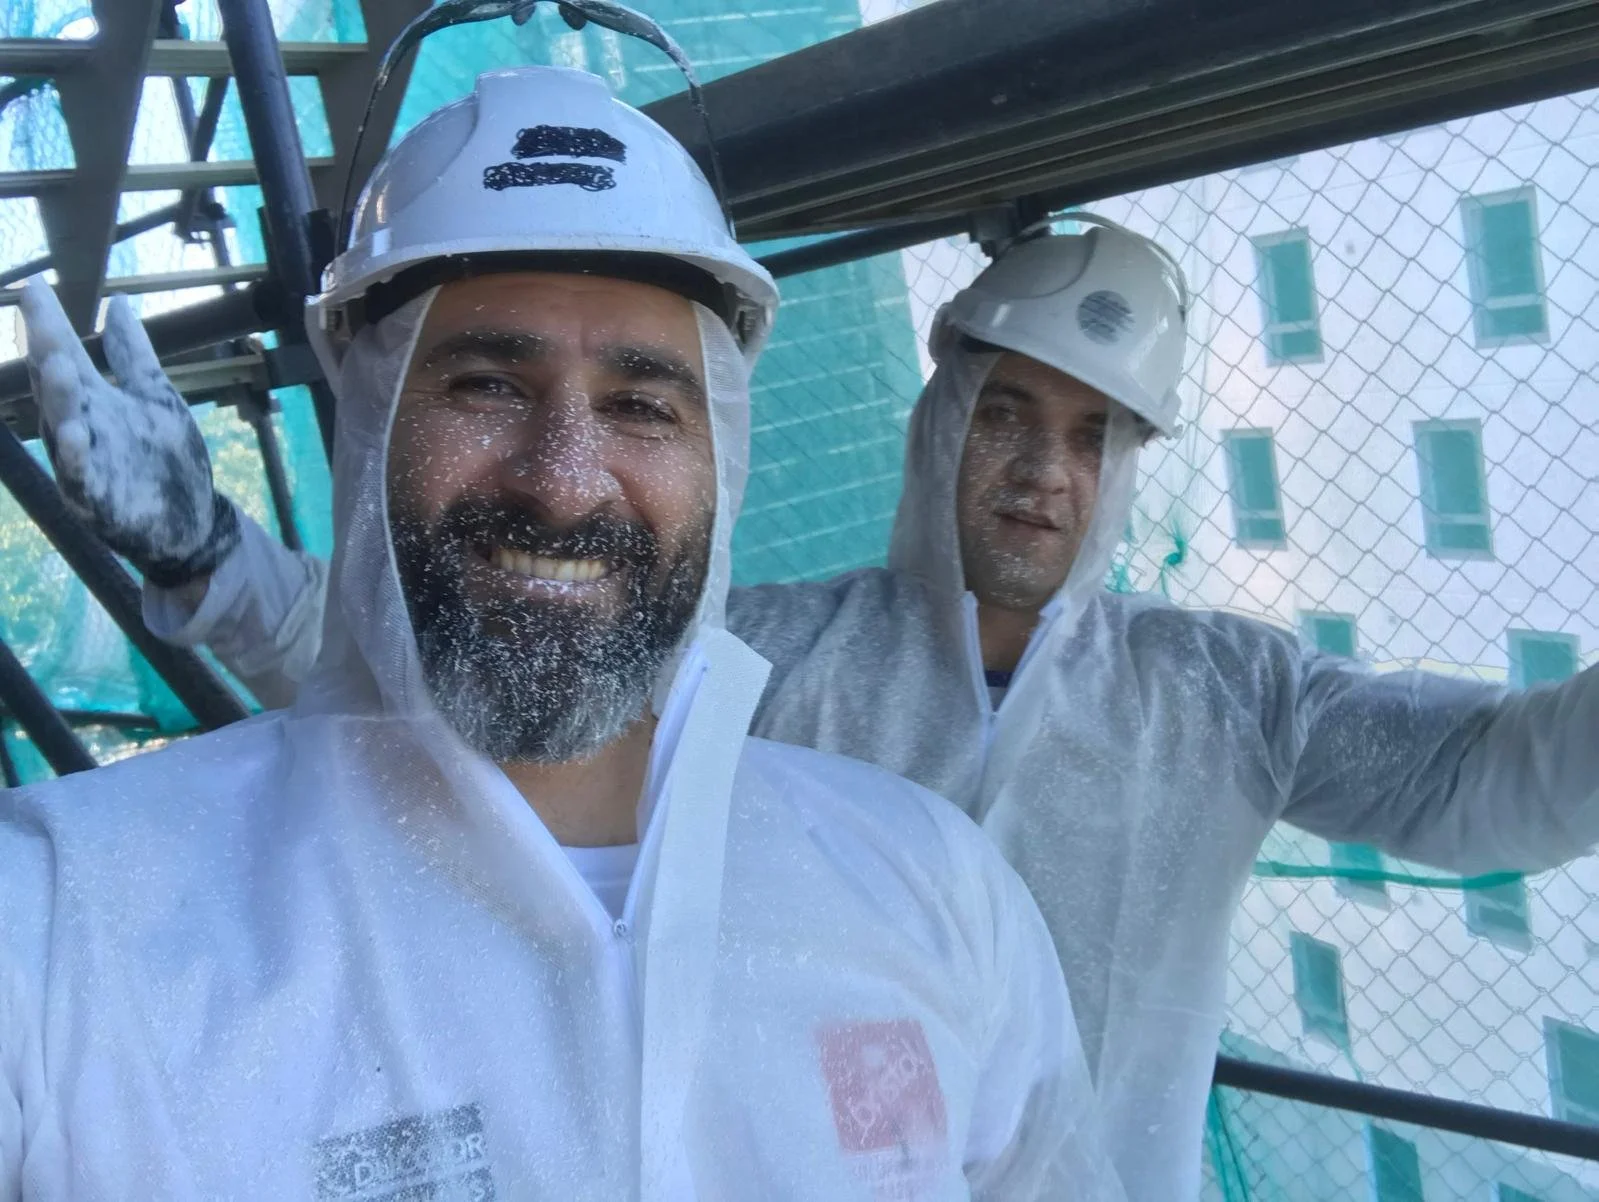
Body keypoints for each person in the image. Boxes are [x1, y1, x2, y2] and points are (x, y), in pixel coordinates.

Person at [39, 198, 1599, 1199]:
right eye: (1007, 411)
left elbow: (1481, 784)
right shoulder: (757, 669)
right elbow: (450, 648)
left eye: (1093, 435)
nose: (1041, 470)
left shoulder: (1231, 691)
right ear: (937, 420)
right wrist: (214, 556)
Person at [0, 66, 1129, 1201]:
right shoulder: (68, 923)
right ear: (373, 434)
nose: (565, 484)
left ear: (721, 459)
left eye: (642, 404)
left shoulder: (932, 890)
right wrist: (206, 554)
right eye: (488, 383)